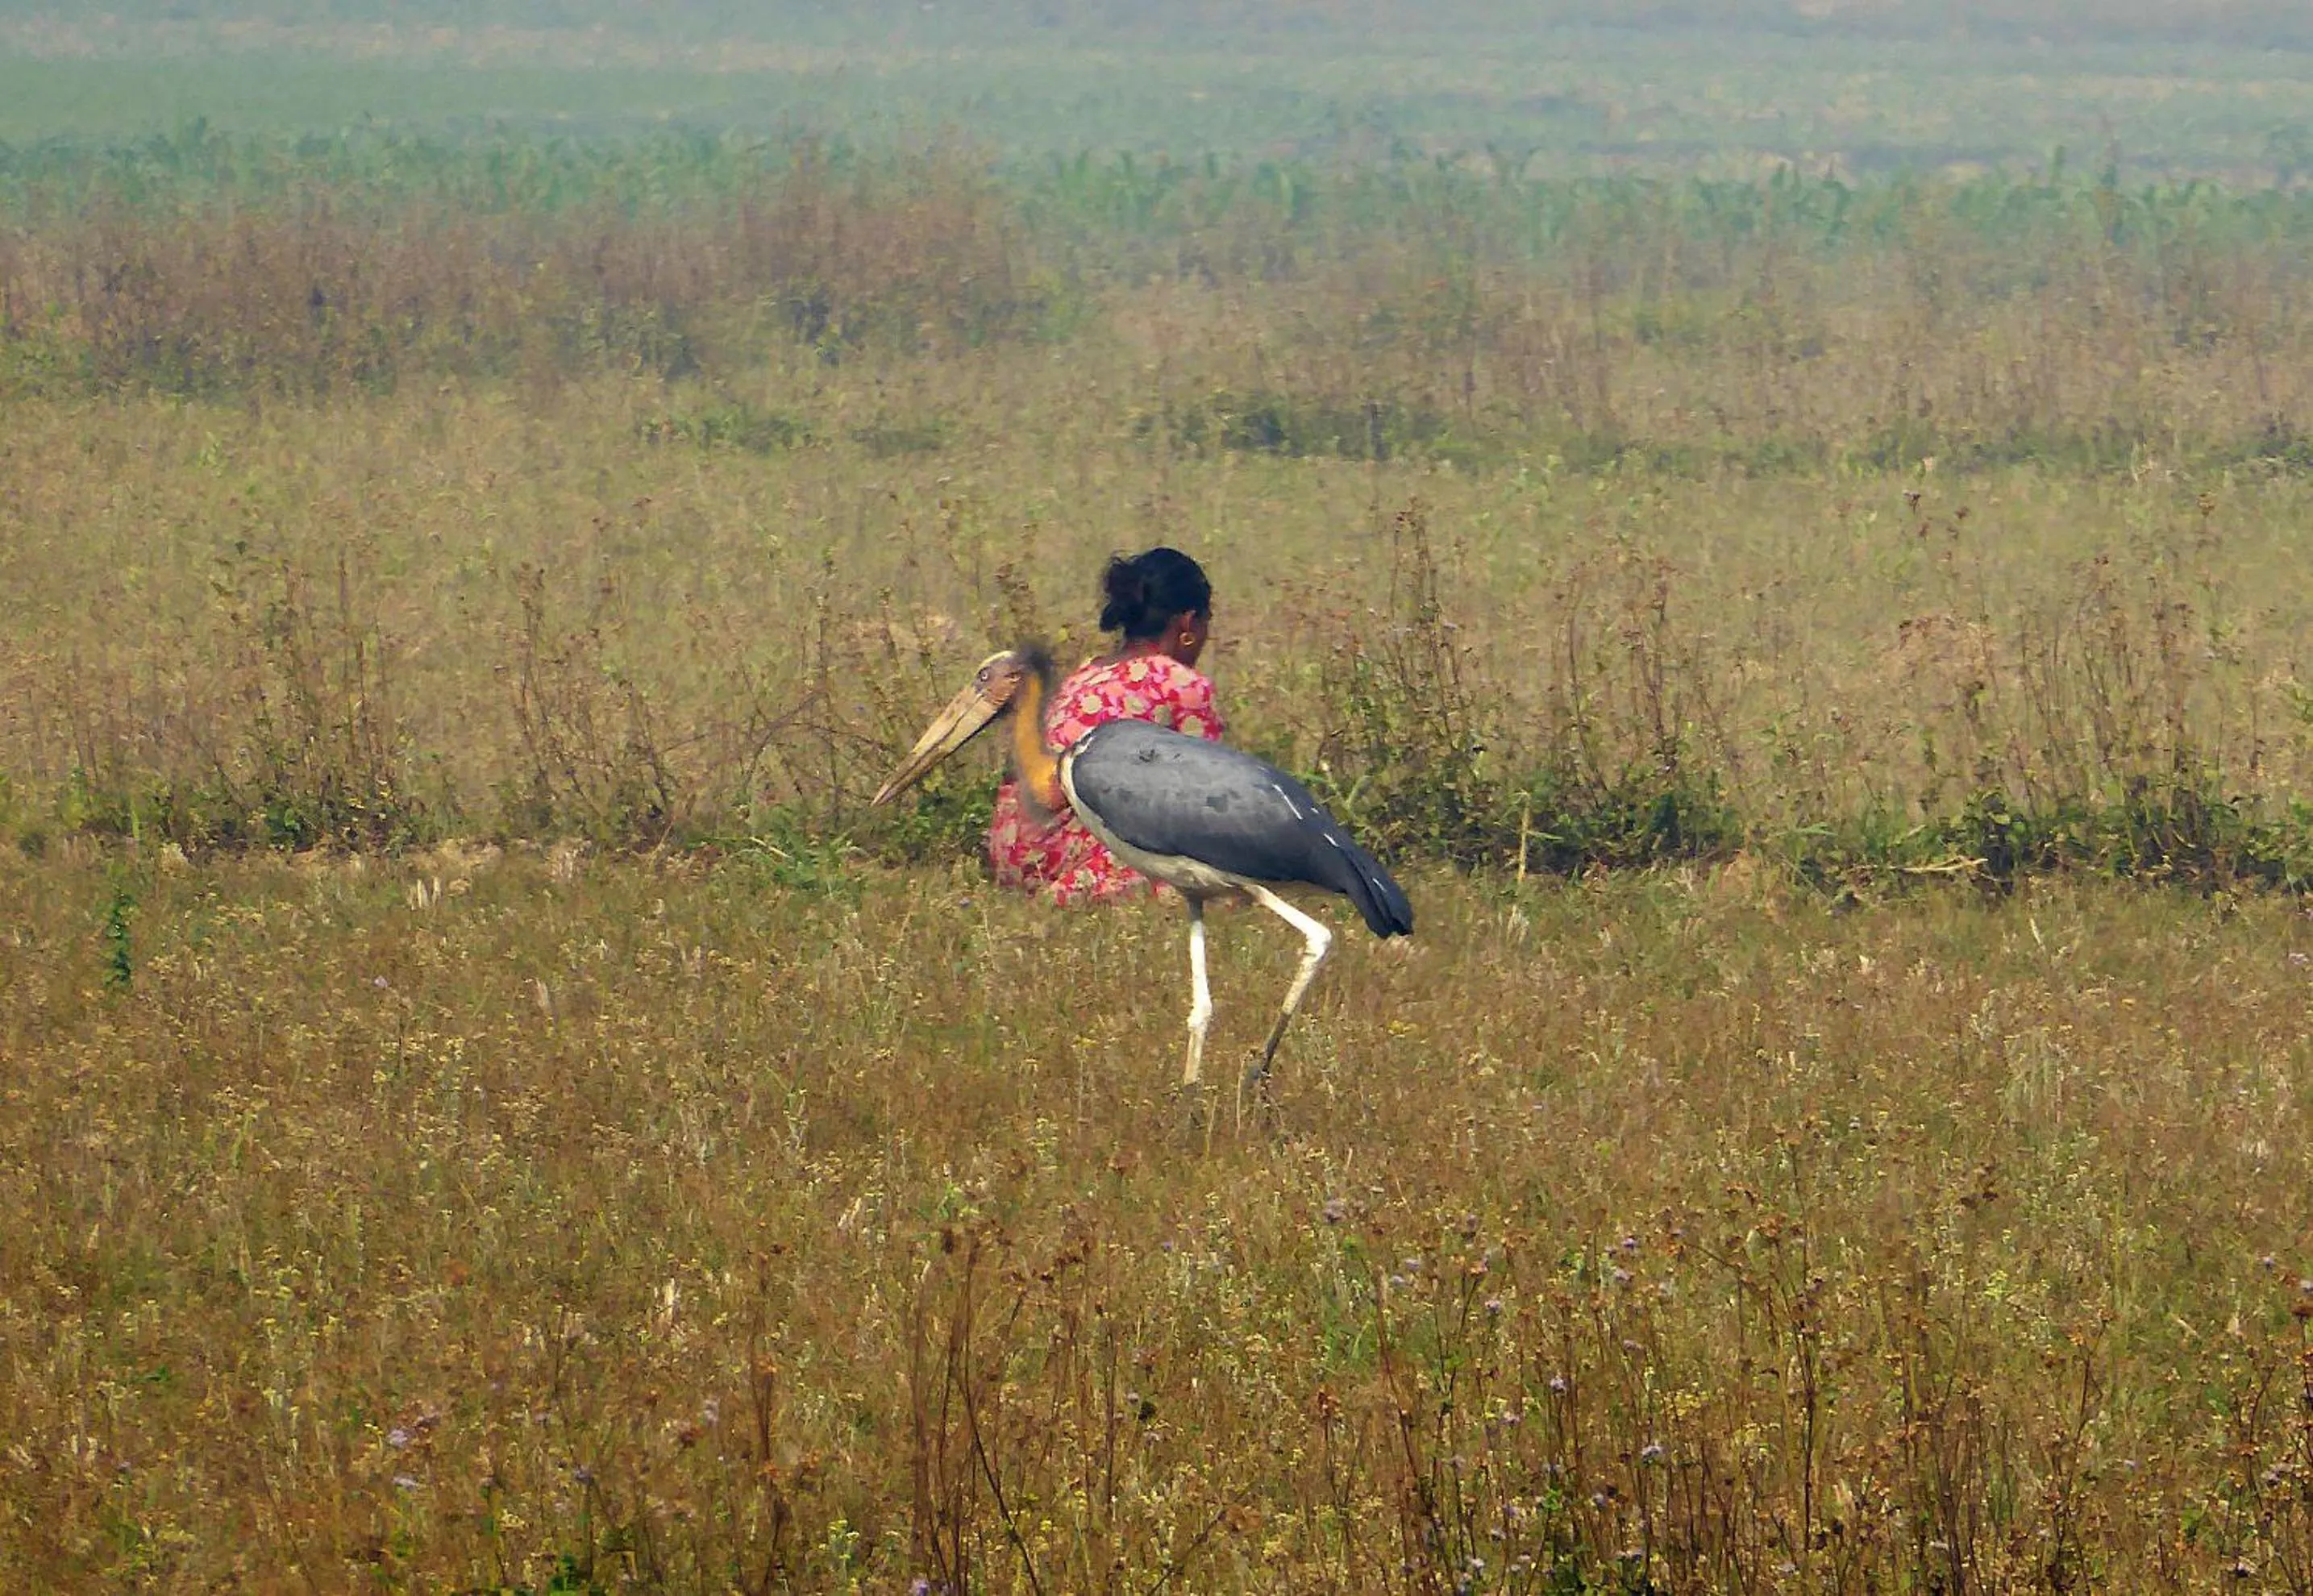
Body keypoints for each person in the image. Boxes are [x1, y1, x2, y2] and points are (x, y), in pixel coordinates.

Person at [988, 547, 1224, 904]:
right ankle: (1074, 894)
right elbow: (1212, 801)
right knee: (1217, 861)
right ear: (1189, 625)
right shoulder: (1183, 685)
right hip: (1073, 854)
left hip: (1010, 853)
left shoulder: (1088, 672)